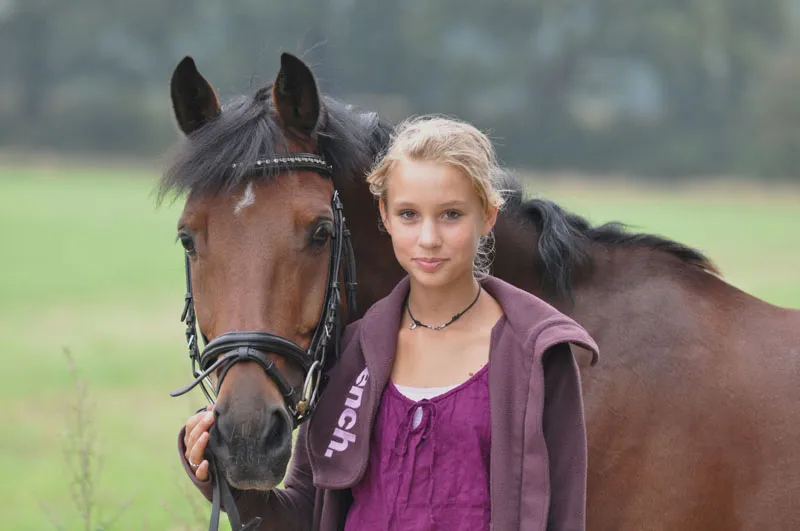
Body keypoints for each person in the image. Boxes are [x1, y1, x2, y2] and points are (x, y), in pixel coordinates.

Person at [179, 116, 599, 530]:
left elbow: (564, 516)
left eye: (451, 214)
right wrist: (232, 489)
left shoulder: (537, 355)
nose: (429, 238)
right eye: (409, 214)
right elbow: (310, 514)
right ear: (385, 217)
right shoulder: (352, 353)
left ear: (488, 216)